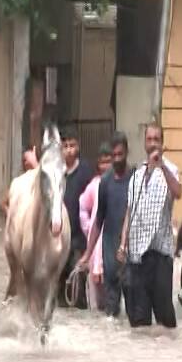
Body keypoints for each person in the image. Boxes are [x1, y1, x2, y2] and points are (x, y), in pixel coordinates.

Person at [117, 122, 181, 329]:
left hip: (160, 254)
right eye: (150, 139)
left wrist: (161, 165)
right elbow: (130, 211)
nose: (153, 143)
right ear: (144, 142)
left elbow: (178, 192)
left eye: (157, 139)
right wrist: (122, 244)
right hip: (137, 255)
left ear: (163, 143)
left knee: (164, 316)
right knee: (139, 319)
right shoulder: (137, 175)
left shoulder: (170, 170)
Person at [78, 132, 132, 318]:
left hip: (131, 261)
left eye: (120, 155)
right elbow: (98, 222)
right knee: (111, 315)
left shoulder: (135, 179)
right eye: (114, 155)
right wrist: (87, 253)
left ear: (127, 153)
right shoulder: (105, 182)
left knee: (134, 315)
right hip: (110, 259)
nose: (117, 160)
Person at [58, 126, 94, 308]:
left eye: (72, 145)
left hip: (79, 241)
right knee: (58, 290)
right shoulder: (56, 173)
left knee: (77, 290)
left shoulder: (86, 172)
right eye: (65, 146)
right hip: (57, 241)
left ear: (78, 147)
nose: (69, 149)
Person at [79, 142, 112, 310]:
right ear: (98, 165)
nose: (106, 166)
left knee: (111, 302)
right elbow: (82, 206)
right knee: (94, 304)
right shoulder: (94, 186)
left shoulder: (118, 184)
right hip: (95, 247)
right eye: (103, 162)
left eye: (109, 161)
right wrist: (88, 229)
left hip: (111, 247)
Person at [2, 146, 39, 215]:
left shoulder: (41, 178)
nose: (26, 163)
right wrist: (12, 217)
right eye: (24, 160)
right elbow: (4, 203)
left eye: (27, 159)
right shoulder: (18, 182)